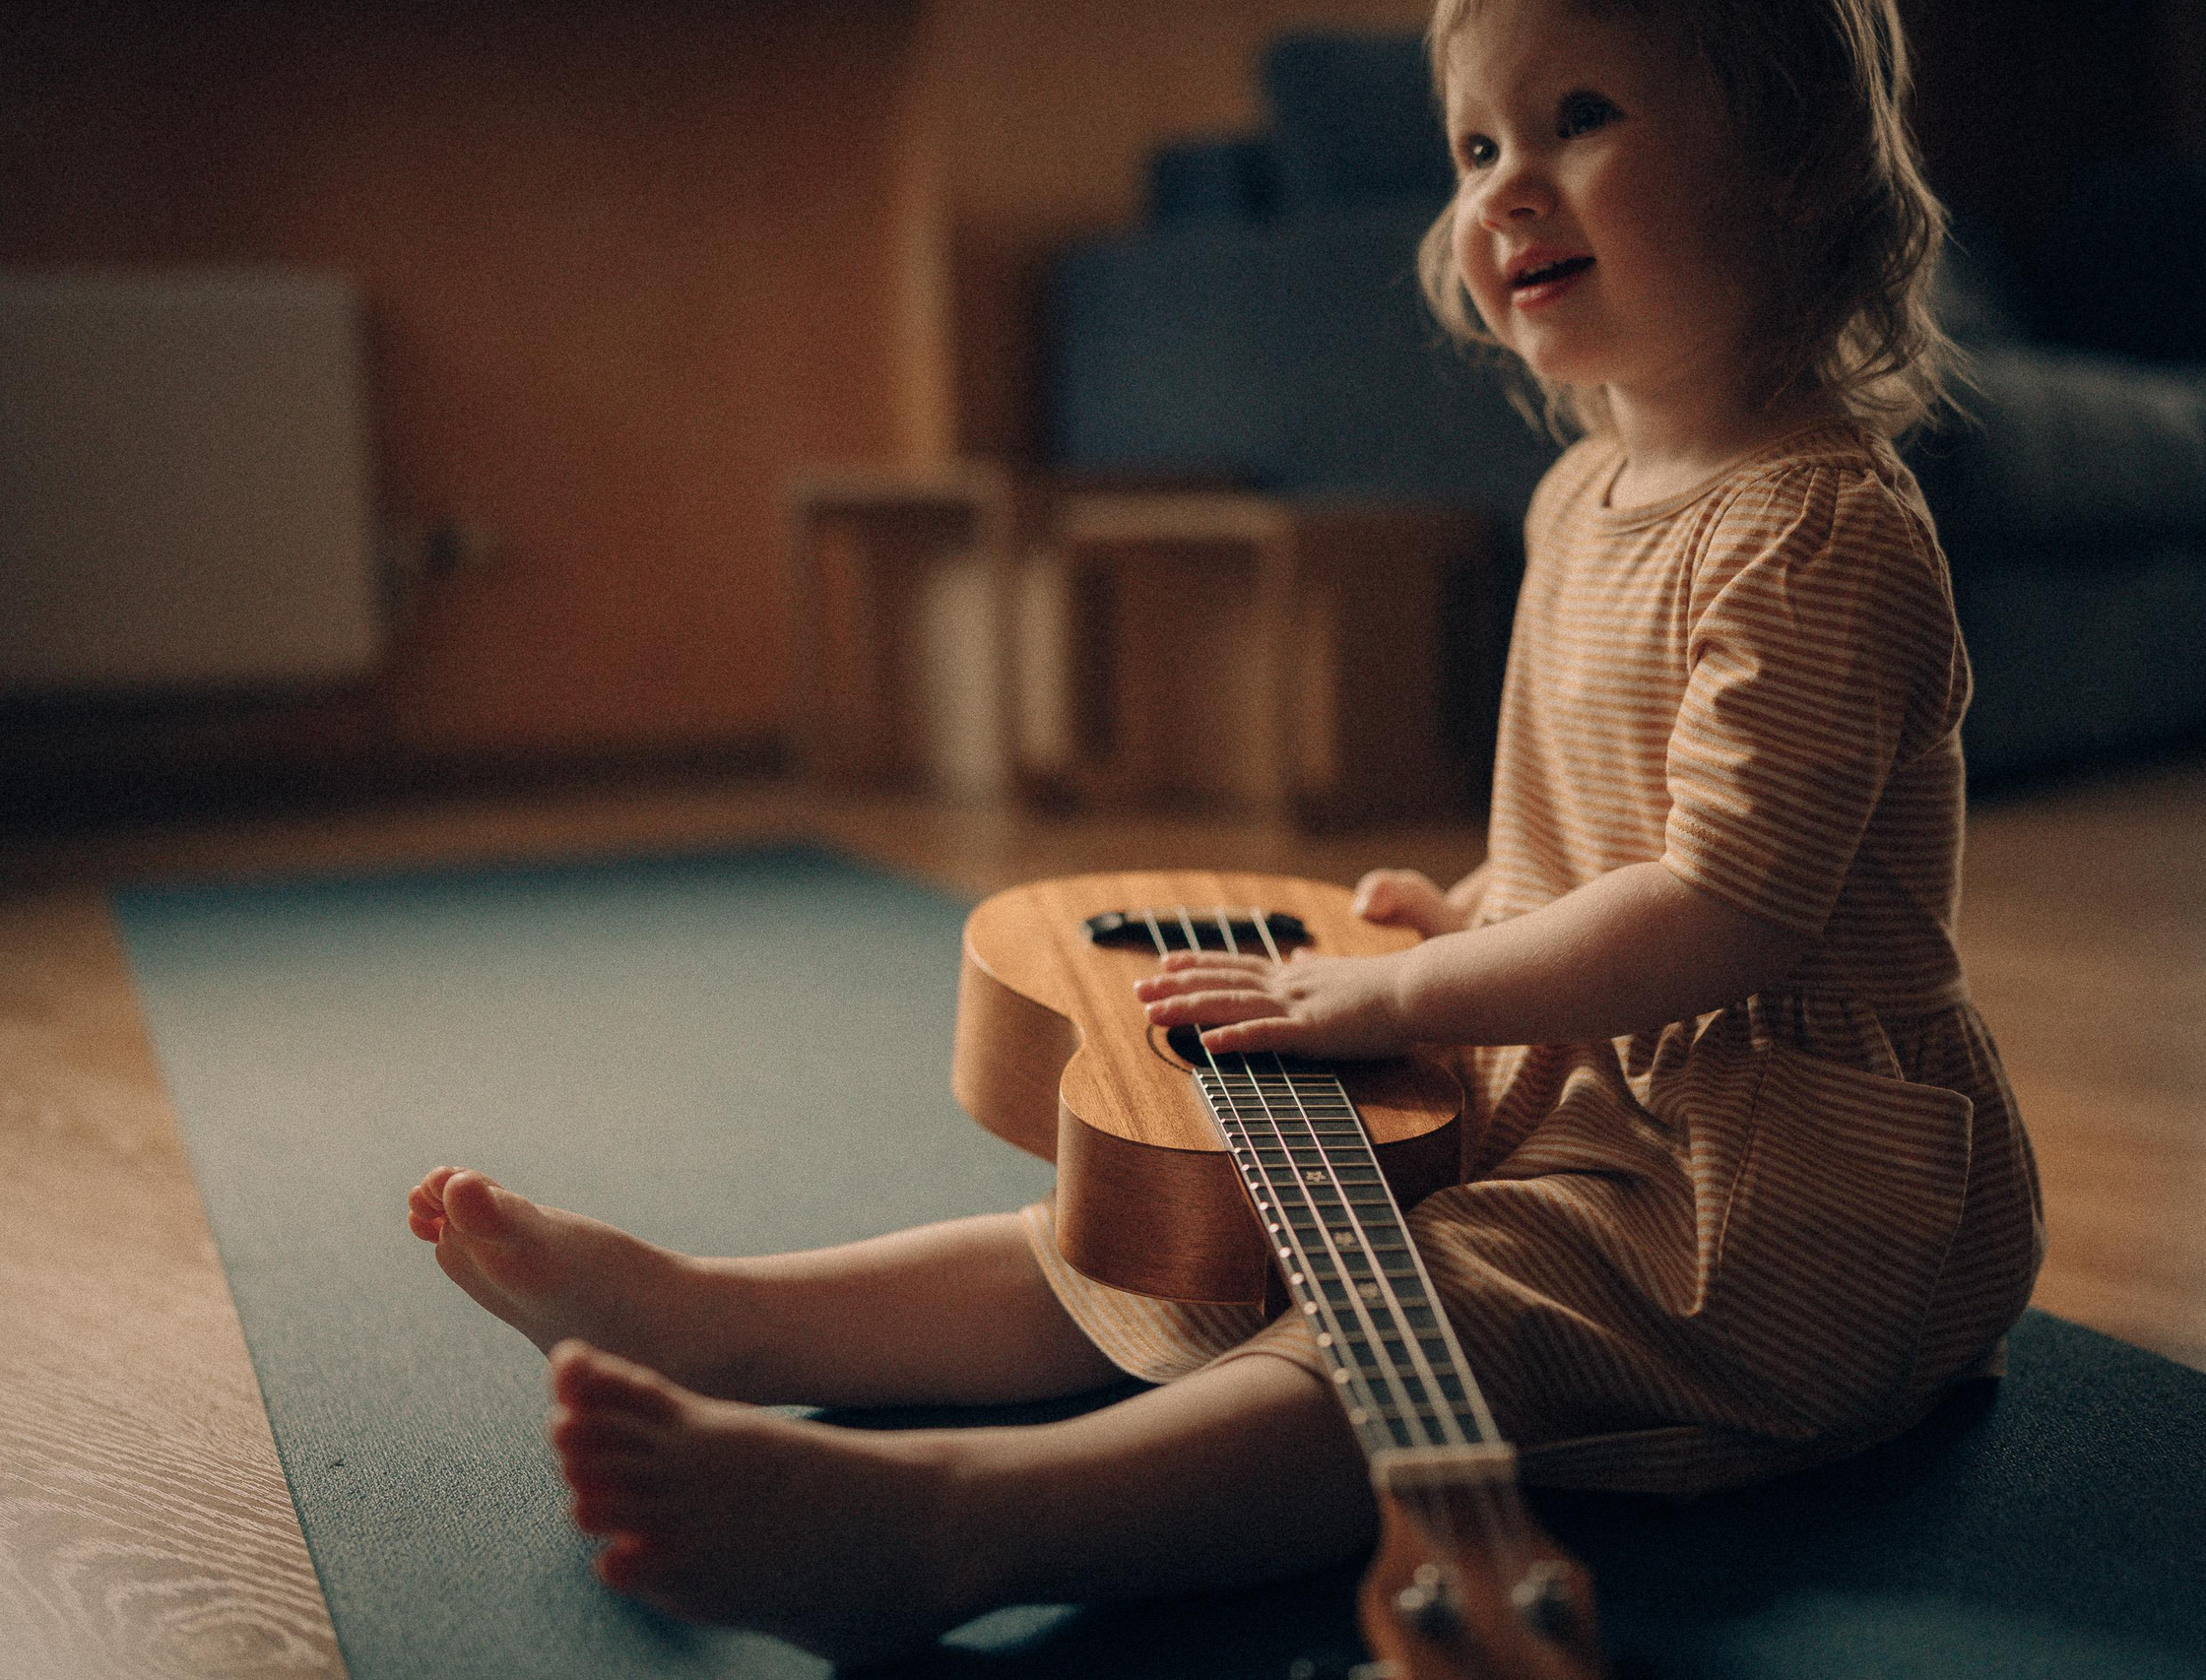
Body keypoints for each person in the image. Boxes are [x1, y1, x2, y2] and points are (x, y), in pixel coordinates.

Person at [406, 0, 2043, 1662]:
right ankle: (723, 1323)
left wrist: (1401, 1000)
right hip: (1572, 1072)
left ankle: (957, 1526)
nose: (1504, 191)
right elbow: (1617, 830)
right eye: (1477, 148)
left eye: (1582, 117)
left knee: (1431, 1313)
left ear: (1799, 159)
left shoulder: (1820, 532)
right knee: (1176, 1228)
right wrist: (1481, 901)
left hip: (1767, 1184)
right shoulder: (1578, 496)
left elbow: (1730, 906)